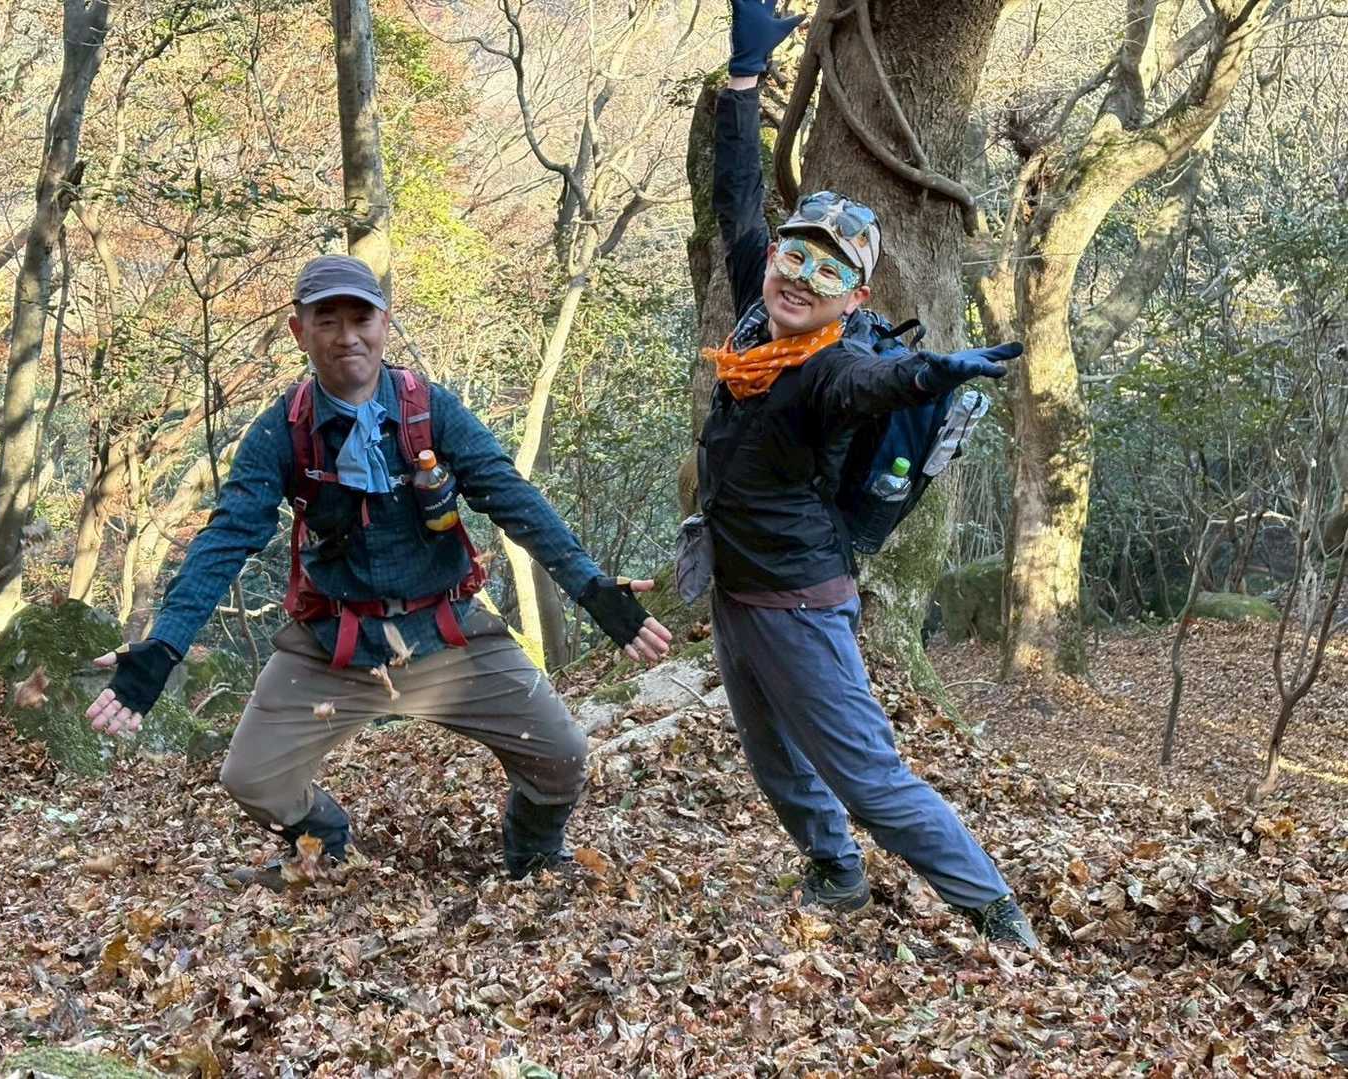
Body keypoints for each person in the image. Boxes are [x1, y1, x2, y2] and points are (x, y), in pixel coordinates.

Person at [84, 254, 672, 889]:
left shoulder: (430, 410)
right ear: (299, 331)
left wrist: (590, 586)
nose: (347, 337)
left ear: (384, 323)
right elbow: (226, 538)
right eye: (327, 321)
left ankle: (533, 855)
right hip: (334, 642)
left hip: (447, 632)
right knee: (251, 779)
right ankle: (324, 842)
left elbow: (510, 496)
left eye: (361, 319)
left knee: (564, 755)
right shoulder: (283, 431)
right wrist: (165, 645)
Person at [698, 0, 1037, 947]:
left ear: (855, 295)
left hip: (798, 600)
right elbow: (736, 200)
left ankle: (994, 910)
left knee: (869, 778)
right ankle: (834, 871)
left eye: (828, 270)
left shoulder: (831, 364)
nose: (798, 276)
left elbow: (874, 385)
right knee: (773, 759)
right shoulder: (756, 318)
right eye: (793, 253)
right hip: (735, 586)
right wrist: (742, 83)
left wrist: (935, 372)